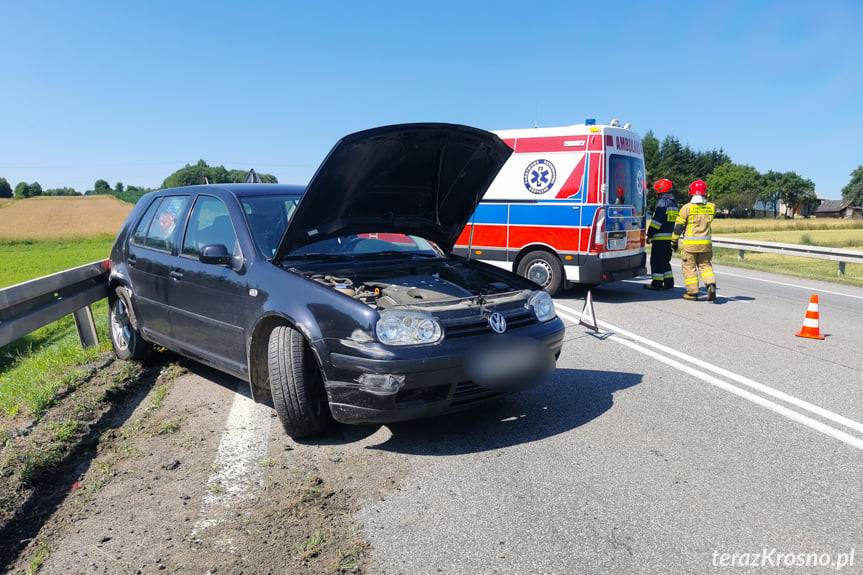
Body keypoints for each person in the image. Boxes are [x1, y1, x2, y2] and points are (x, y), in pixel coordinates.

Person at [671, 179, 716, 301]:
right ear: (705, 193)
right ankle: (710, 284)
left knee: (689, 267)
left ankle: (692, 293)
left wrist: (674, 242)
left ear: (691, 193)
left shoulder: (686, 208)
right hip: (706, 245)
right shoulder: (711, 207)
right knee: (705, 266)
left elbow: (678, 227)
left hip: (690, 246)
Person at [644, 178, 678, 290]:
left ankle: (657, 283)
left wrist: (649, 234)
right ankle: (669, 282)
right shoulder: (674, 203)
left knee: (656, 260)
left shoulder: (662, 202)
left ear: (660, 189)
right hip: (668, 237)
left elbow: (656, 221)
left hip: (659, 237)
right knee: (665, 261)